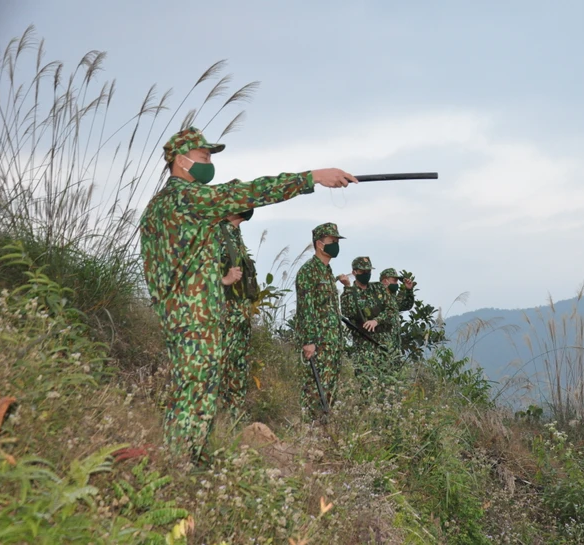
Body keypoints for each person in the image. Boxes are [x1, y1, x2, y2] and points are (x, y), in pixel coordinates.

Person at [139, 126, 356, 464]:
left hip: (186, 312)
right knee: (195, 390)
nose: (209, 163)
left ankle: (190, 459)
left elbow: (174, 268)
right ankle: (178, 467)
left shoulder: (164, 206)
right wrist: (312, 177)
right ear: (180, 162)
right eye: (204, 156)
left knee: (198, 390)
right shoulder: (185, 198)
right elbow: (248, 192)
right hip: (193, 317)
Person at [293, 223, 349, 421]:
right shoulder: (308, 272)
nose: (335, 245)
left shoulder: (327, 272)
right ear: (319, 244)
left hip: (332, 343)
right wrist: (309, 341)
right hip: (318, 344)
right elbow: (306, 309)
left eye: (336, 241)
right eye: (332, 241)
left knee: (329, 390)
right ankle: (308, 431)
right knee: (314, 389)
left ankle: (323, 433)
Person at [218, 208, 258, 421]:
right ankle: (214, 419)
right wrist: (222, 280)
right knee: (220, 366)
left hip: (240, 316)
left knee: (238, 368)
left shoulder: (235, 234)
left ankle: (233, 421)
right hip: (225, 314)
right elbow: (197, 270)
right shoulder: (216, 232)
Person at [339, 257, 400, 392]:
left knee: (388, 383)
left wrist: (376, 320)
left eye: (368, 271)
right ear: (354, 272)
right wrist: (348, 287)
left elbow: (392, 309)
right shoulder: (349, 293)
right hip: (364, 346)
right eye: (362, 271)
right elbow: (349, 311)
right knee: (366, 384)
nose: (366, 274)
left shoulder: (378, 289)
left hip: (384, 343)